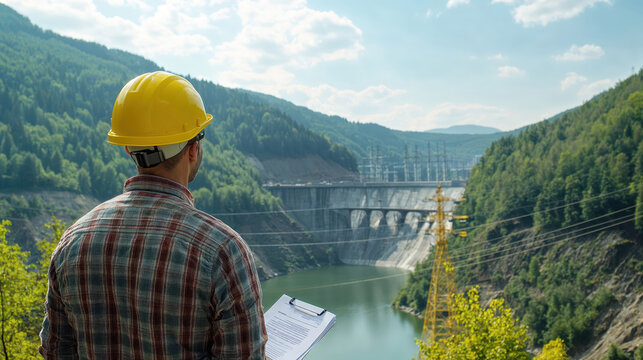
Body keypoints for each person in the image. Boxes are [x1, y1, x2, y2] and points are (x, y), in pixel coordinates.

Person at [39, 71, 267, 359]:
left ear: (127, 147)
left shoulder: (74, 240)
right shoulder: (222, 250)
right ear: (193, 149)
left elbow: (56, 352)